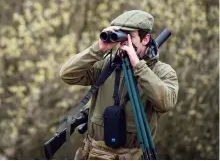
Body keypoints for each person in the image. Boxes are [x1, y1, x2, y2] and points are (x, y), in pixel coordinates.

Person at [59, 10, 179, 160]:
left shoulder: (162, 72)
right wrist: (98, 49)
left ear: (145, 38)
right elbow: (67, 75)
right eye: (120, 35)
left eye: (130, 36)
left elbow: (166, 103)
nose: (123, 42)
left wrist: (138, 66)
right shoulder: (107, 65)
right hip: (93, 154)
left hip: (131, 155)